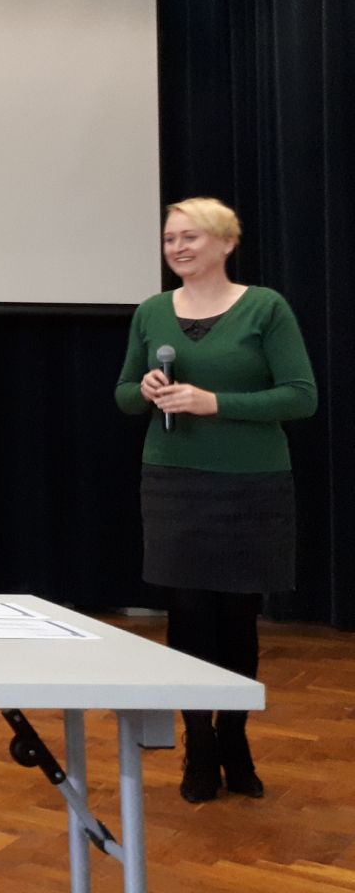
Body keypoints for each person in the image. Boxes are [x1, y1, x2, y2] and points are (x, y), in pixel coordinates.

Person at [114, 197, 316, 803]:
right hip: (174, 482)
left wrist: (215, 403)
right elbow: (123, 395)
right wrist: (146, 389)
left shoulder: (265, 307)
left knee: (236, 616)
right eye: (169, 238)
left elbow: (300, 396)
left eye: (191, 237)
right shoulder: (152, 312)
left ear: (227, 243)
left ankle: (235, 735)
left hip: (250, 485)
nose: (176, 247)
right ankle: (198, 743)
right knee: (188, 615)